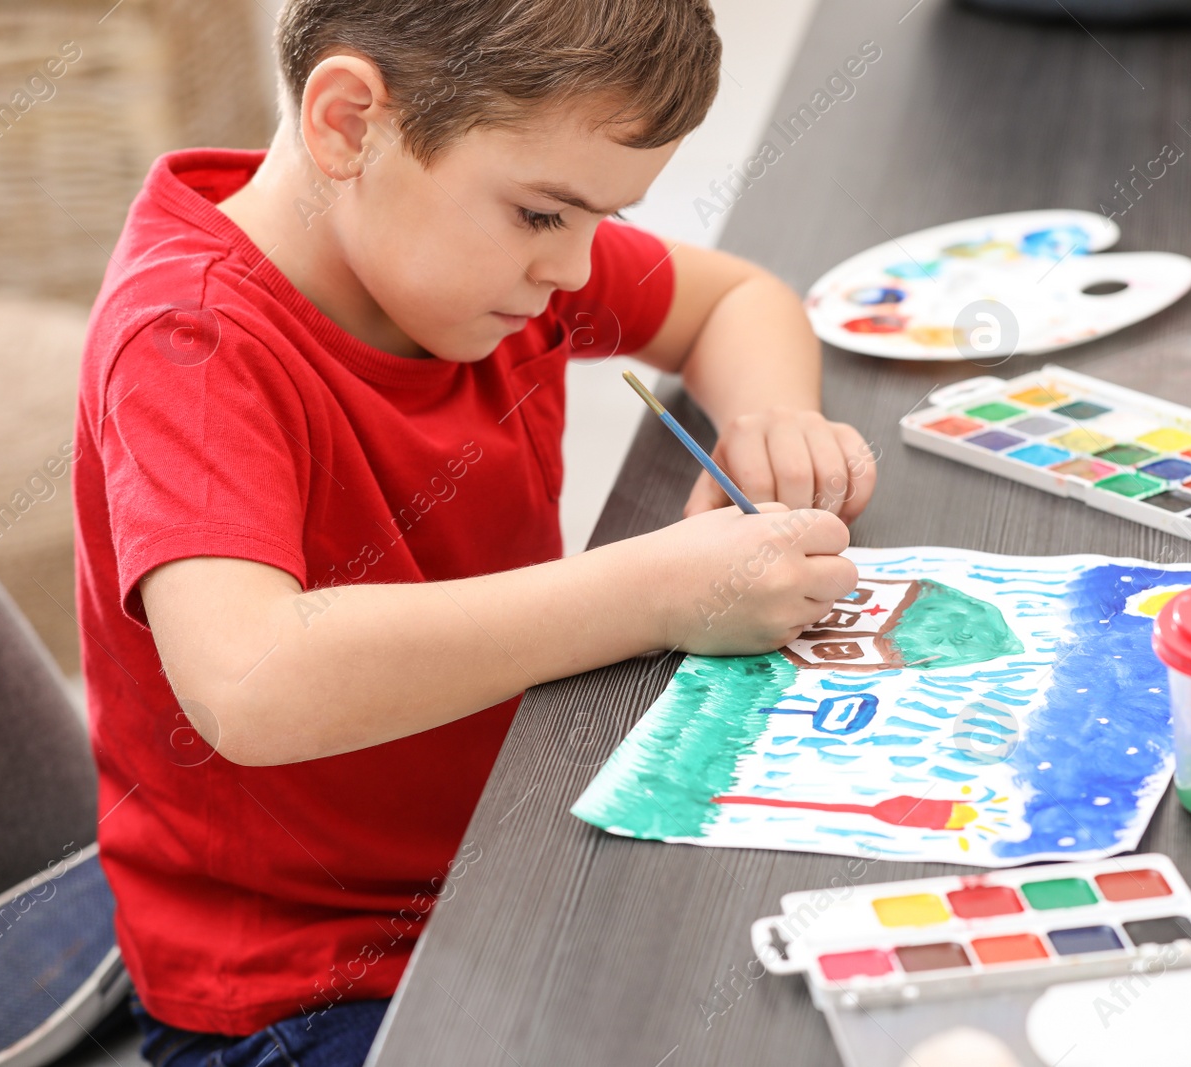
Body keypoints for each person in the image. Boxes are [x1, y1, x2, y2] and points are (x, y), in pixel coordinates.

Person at [72, 2, 875, 1063]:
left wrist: (773, 420)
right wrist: (655, 590)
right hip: (305, 989)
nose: (580, 272)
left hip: (514, 855)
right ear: (350, 123)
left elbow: (737, 299)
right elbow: (250, 682)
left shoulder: (468, 259)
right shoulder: (192, 341)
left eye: (603, 218)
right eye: (547, 216)